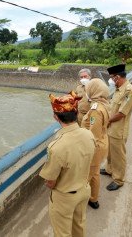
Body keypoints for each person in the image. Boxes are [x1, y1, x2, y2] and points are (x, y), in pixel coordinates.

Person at [40, 91, 96, 237]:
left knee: (62, 232)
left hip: (65, 197)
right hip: (84, 190)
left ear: (56, 117)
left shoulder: (56, 147)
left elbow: (50, 182)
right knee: (79, 226)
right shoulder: (88, 134)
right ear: (76, 113)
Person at [100, 64, 132, 191]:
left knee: (118, 155)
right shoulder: (118, 88)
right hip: (111, 128)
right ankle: (109, 169)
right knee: (110, 152)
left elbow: (121, 113)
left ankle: (118, 179)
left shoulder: (128, 91)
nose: (111, 80)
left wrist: (106, 121)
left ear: (118, 77)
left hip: (118, 130)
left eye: (112, 78)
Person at [81, 78, 110, 209]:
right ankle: (94, 198)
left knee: (86, 176)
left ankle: (80, 201)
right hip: (103, 142)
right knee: (95, 173)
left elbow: (93, 135)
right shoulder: (104, 104)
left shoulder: (95, 110)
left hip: (95, 147)